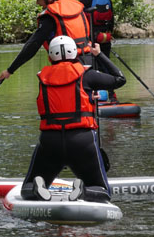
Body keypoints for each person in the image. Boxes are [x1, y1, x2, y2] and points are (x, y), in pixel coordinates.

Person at [18, 36, 127, 201]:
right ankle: (84, 191)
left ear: (50, 57)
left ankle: (37, 187)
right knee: (102, 191)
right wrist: (99, 55)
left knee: (26, 189)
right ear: (75, 53)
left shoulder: (42, 77)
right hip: (82, 141)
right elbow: (120, 79)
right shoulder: (87, 75)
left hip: (50, 141)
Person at [0, 0, 93, 82]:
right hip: (89, 61)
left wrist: (10, 70)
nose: (37, 3)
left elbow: (33, 45)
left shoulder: (49, 17)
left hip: (67, 68)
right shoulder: (77, 7)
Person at [80, 0, 117, 102]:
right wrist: (109, 33)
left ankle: (95, 97)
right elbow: (112, 18)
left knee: (93, 67)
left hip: (93, 39)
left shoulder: (86, 0)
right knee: (106, 64)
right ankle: (112, 95)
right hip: (106, 37)